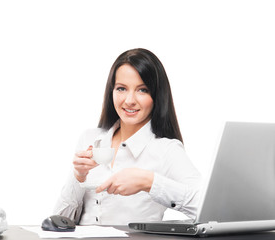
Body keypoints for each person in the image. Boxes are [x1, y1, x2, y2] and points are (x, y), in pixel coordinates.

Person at [54, 48, 202, 225]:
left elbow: (206, 206)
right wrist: (78, 176)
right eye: (121, 88)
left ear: (156, 96)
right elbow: (59, 222)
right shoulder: (90, 139)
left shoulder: (166, 150)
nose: (129, 100)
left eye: (142, 90)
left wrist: (148, 182)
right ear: (112, 92)